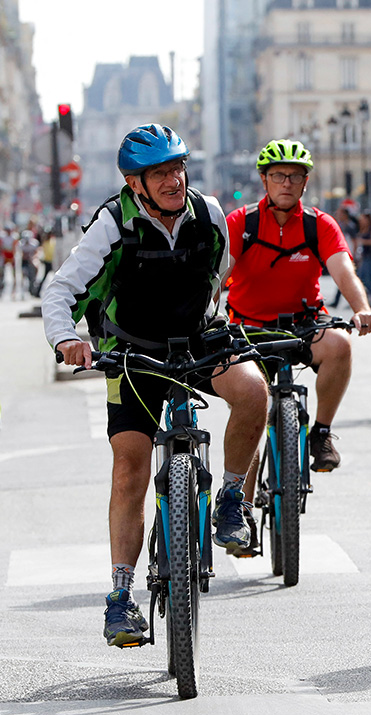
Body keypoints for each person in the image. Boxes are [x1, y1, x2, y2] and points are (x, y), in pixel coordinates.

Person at [43, 123, 271, 646]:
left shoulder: (208, 213)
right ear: (134, 182)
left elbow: (219, 274)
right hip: (132, 354)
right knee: (129, 467)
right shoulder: (113, 223)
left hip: (193, 343)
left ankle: (232, 499)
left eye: (177, 168)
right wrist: (66, 341)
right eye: (159, 173)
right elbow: (61, 291)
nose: (173, 180)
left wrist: (212, 323)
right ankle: (121, 600)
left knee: (253, 391)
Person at [225, 138, 371, 482]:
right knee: (251, 421)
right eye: (279, 175)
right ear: (264, 180)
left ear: (305, 182)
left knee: (340, 345)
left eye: (295, 176)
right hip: (248, 328)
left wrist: (361, 308)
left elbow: (342, 270)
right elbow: (220, 275)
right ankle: (242, 511)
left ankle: (321, 433)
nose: (287, 183)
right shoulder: (242, 222)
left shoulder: (318, 224)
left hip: (303, 323)